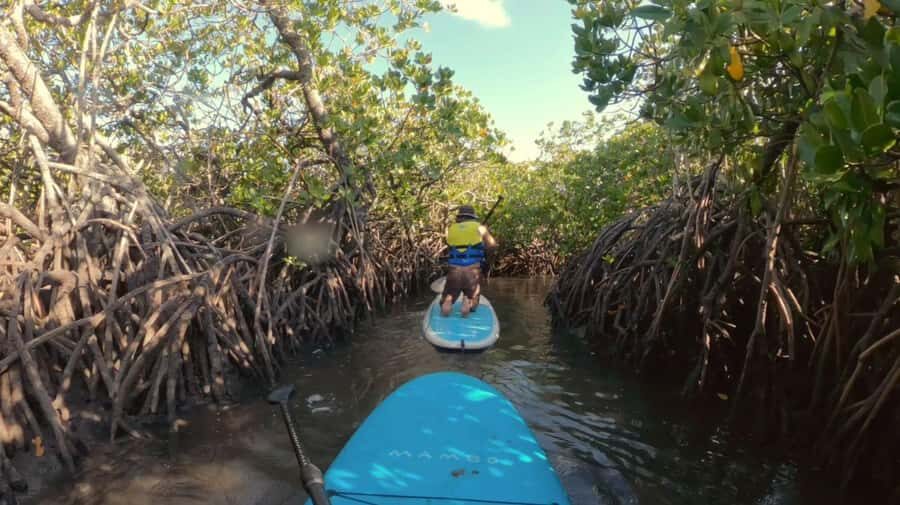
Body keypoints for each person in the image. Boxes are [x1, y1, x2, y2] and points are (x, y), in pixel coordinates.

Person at [441, 205, 497, 317]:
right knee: (472, 296)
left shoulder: (451, 228)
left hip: (454, 269)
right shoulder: (480, 228)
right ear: (472, 217)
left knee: (449, 295)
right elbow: (492, 245)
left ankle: (448, 301)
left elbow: (451, 246)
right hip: (472, 270)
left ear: (460, 217)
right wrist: (483, 245)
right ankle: (468, 301)